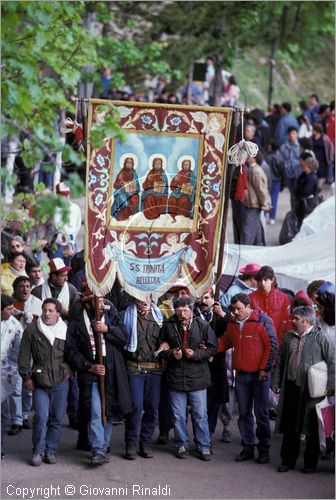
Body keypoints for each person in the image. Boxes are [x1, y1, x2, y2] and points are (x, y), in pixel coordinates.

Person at [65, 291, 132, 466]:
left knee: (108, 410)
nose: (103, 305)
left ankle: (103, 445)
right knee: (96, 410)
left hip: (112, 370)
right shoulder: (77, 324)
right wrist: (89, 366)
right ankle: (98, 449)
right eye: (98, 302)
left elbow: (125, 337)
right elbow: (71, 351)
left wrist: (107, 329)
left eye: (103, 301)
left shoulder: (111, 316)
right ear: (88, 305)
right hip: (91, 373)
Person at [271, 306, 335, 474]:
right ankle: (287, 461)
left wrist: (330, 387)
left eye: (296, 319)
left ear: (306, 322)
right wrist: (276, 381)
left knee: (311, 428)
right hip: (291, 387)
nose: (292, 321)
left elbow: (333, 363)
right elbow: (280, 361)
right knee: (290, 426)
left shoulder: (321, 338)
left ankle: (310, 464)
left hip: (313, 391)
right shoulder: (288, 338)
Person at [218, 293, 277, 464]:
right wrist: (209, 349)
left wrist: (264, 369)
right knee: (244, 414)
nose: (235, 312)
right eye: (234, 309)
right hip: (242, 375)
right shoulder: (233, 323)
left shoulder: (263, 321)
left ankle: (264, 449)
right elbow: (226, 341)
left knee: (262, 414)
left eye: (239, 308)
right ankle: (248, 447)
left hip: (260, 375)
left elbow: (272, 345)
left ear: (248, 306)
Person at [159, 296, 217, 461]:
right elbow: (161, 347)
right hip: (175, 377)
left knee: (200, 414)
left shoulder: (203, 325)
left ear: (192, 310)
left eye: (185, 310)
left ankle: (204, 446)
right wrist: (171, 354)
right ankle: (181, 444)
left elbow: (213, 349)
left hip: (198, 378)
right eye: (179, 311)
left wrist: (197, 354)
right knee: (178, 415)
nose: (182, 314)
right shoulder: (168, 325)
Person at [18, 298, 70, 466]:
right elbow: (24, 355)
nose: (47, 313)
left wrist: (68, 371)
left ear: (58, 312)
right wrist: (26, 376)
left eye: (51, 311)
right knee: (41, 417)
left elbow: (72, 353)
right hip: (40, 380)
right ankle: (38, 451)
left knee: (56, 418)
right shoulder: (32, 330)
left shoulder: (65, 329)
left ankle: (51, 450)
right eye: (44, 310)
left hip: (61, 381)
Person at [123, 298, 164, 460]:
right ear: (134, 298)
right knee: (135, 407)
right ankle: (131, 443)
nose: (144, 300)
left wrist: (167, 343)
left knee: (152, 408)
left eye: (147, 297)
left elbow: (168, 337)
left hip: (155, 370)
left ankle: (145, 443)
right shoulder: (126, 315)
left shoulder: (160, 316)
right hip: (135, 368)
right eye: (140, 297)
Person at [194, 289, 230, 449]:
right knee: (199, 405)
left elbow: (231, 329)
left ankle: (207, 436)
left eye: (207, 298)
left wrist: (222, 313)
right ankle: (200, 438)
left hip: (216, 366)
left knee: (214, 403)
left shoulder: (221, 315)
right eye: (201, 297)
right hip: (197, 365)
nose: (203, 301)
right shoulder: (192, 315)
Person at [1, 295, 23, 458]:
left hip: (4, 371)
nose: (13, 311)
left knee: (2, 413)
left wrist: (13, 368)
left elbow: (18, 349)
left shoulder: (15, 325)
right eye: (9, 309)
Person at [240, 155, 271, 245]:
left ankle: (245, 250)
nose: (248, 158)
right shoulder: (254, 169)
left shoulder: (256, 171)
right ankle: (258, 245)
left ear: (255, 159)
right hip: (254, 203)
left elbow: (260, 189)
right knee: (256, 228)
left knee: (248, 230)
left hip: (254, 204)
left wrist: (265, 203)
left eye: (250, 157)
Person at [51, 182, 82, 266]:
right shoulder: (52, 208)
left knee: (71, 269)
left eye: (66, 194)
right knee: (56, 269)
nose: (65, 197)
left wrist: (70, 240)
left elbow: (77, 226)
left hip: (71, 243)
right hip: (56, 244)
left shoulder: (75, 208)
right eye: (62, 195)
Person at [279, 126, 301, 212]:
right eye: (290, 134)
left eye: (294, 133)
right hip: (288, 175)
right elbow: (281, 160)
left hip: (298, 174)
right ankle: (293, 211)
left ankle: (298, 211)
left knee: (298, 194)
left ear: (297, 135)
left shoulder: (300, 147)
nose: (292, 135)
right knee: (292, 195)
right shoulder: (284, 147)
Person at [111, 156, 140, 221]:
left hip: (131, 192)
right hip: (122, 192)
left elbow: (138, 187)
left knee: (135, 197)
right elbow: (115, 185)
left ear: (133, 164)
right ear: (124, 164)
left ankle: (132, 216)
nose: (129, 164)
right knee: (123, 199)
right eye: (128, 163)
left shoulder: (134, 173)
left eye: (131, 163)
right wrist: (122, 184)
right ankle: (122, 216)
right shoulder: (121, 173)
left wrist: (133, 187)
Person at [294, 156, 319, 229]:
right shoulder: (305, 175)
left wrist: (298, 191)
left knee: (304, 221)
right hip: (302, 203)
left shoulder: (311, 178)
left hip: (307, 203)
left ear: (309, 167)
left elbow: (306, 191)